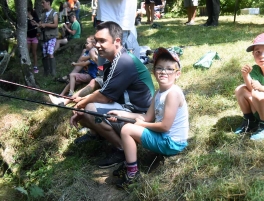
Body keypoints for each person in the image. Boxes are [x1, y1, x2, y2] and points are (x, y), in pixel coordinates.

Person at [69, 21, 155, 168]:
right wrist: (81, 101)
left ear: (117, 41)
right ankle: (100, 135)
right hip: (128, 109)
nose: (97, 45)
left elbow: (104, 97)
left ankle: (122, 149)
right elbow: (103, 89)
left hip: (141, 115)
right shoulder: (114, 60)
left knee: (89, 109)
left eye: (102, 41)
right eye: (96, 41)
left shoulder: (124, 61)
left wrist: (81, 103)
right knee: (85, 110)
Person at [108, 47, 189, 189]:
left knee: (127, 130)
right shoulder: (159, 92)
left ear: (178, 74)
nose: (164, 72)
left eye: (169, 69)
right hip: (164, 138)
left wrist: (141, 125)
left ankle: (132, 173)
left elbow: (165, 126)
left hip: (172, 143)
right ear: (154, 72)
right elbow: (147, 117)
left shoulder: (173, 93)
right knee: (128, 125)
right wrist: (121, 114)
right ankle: (129, 163)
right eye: (159, 68)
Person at [38, 0, 59, 76]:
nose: (42, 4)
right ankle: (46, 72)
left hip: (51, 36)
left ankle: (53, 73)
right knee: (44, 54)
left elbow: (55, 24)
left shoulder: (54, 13)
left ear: (48, 2)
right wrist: (38, 24)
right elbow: (40, 24)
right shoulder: (43, 14)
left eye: (43, 2)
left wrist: (45, 25)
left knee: (50, 53)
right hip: (44, 37)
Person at [27, 7, 40, 74]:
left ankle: (35, 67)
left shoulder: (35, 18)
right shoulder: (26, 20)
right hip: (28, 38)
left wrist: (33, 21)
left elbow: (39, 24)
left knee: (34, 53)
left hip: (34, 37)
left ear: (29, 12)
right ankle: (27, 66)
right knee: (27, 53)